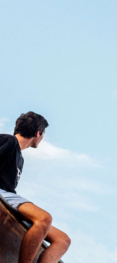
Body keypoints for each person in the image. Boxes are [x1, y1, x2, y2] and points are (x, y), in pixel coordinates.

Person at [0, 112, 71, 263]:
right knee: (44, 218)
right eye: (43, 134)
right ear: (38, 133)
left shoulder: (20, 159)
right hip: (2, 193)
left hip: (11, 197)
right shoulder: (8, 140)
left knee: (62, 240)